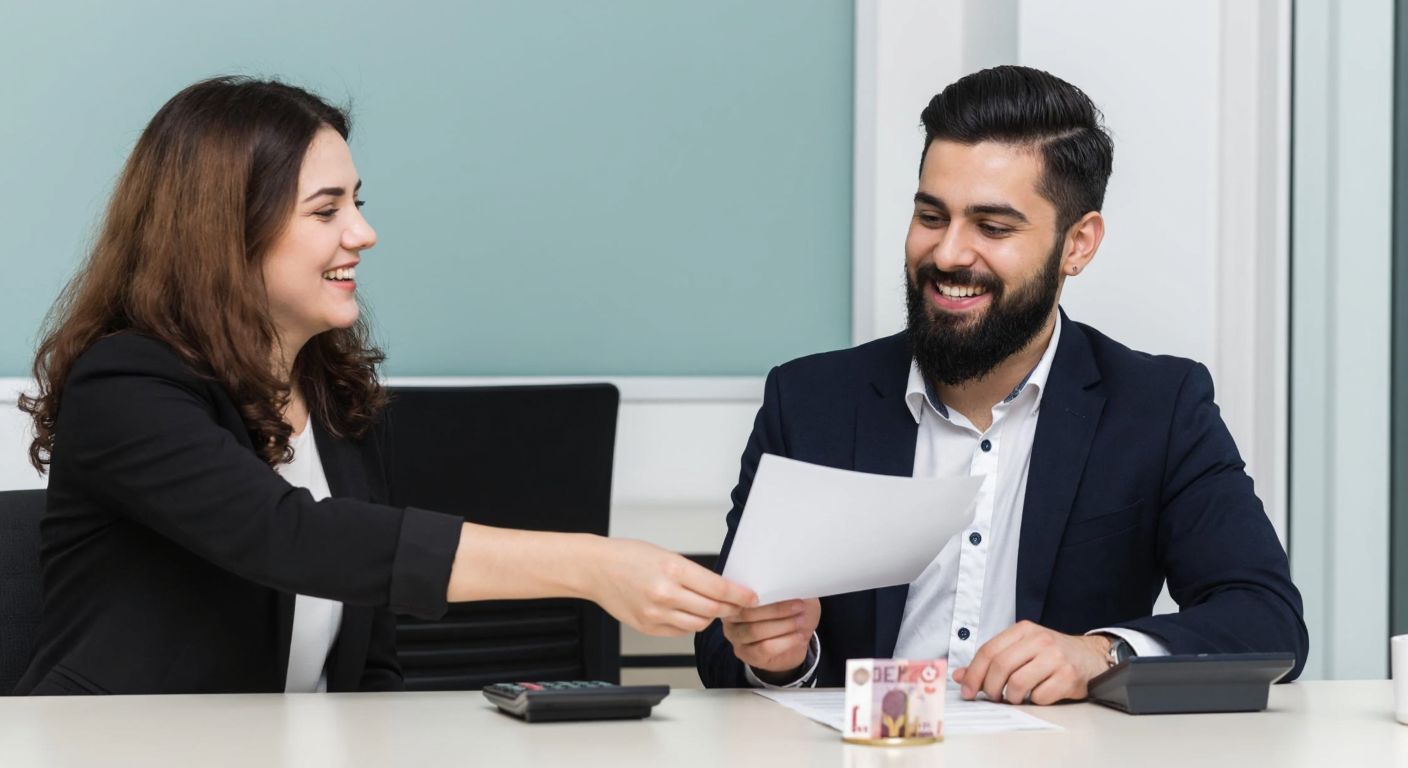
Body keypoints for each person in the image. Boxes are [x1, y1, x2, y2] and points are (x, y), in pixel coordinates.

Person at [14, 76, 754, 695]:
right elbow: (290, 537)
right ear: (225, 234)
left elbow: (368, 658)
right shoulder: (126, 383)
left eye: (358, 203)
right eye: (327, 210)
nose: (362, 233)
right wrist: (590, 565)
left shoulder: (334, 395)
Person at [695, 65, 1308, 704]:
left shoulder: (1158, 407)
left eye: (992, 228)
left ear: (1077, 245)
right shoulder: (810, 400)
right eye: (932, 216)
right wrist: (780, 657)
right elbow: (723, 636)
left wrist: (1100, 652)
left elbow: (1267, 621)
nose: (949, 254)